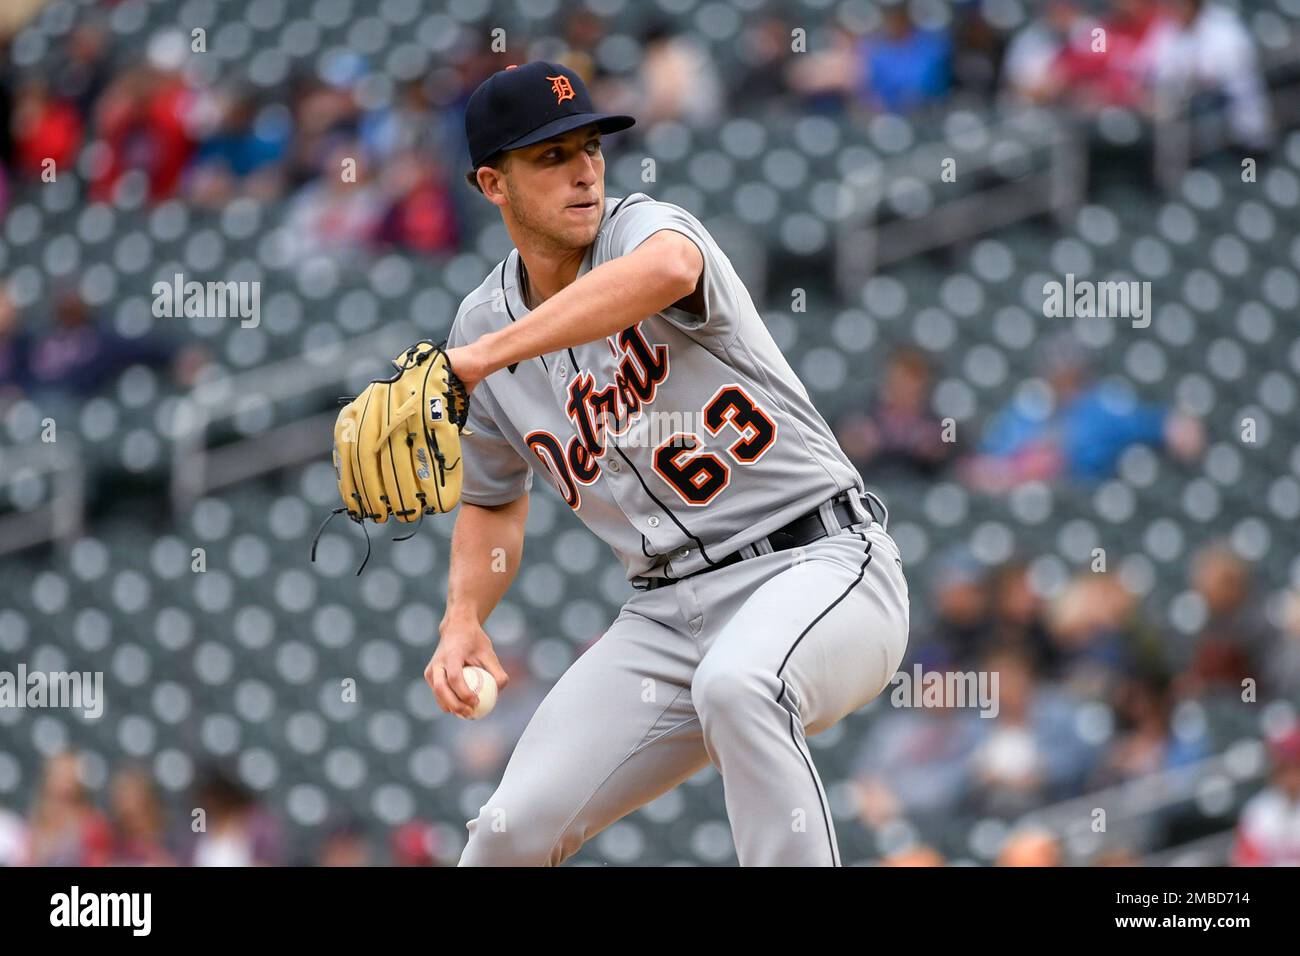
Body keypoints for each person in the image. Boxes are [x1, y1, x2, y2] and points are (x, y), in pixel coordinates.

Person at [432, 61, 910, 866]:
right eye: (551, 157)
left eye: (589, 147)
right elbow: (489, 499)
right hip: (665, 615)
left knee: (740, 685)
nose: (584, 170)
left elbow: (669, 271)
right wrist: (463, 617)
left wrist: (480, 359)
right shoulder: (480, 324)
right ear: (493, 184)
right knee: (507, 835)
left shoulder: (638, 231)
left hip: (821, 563)